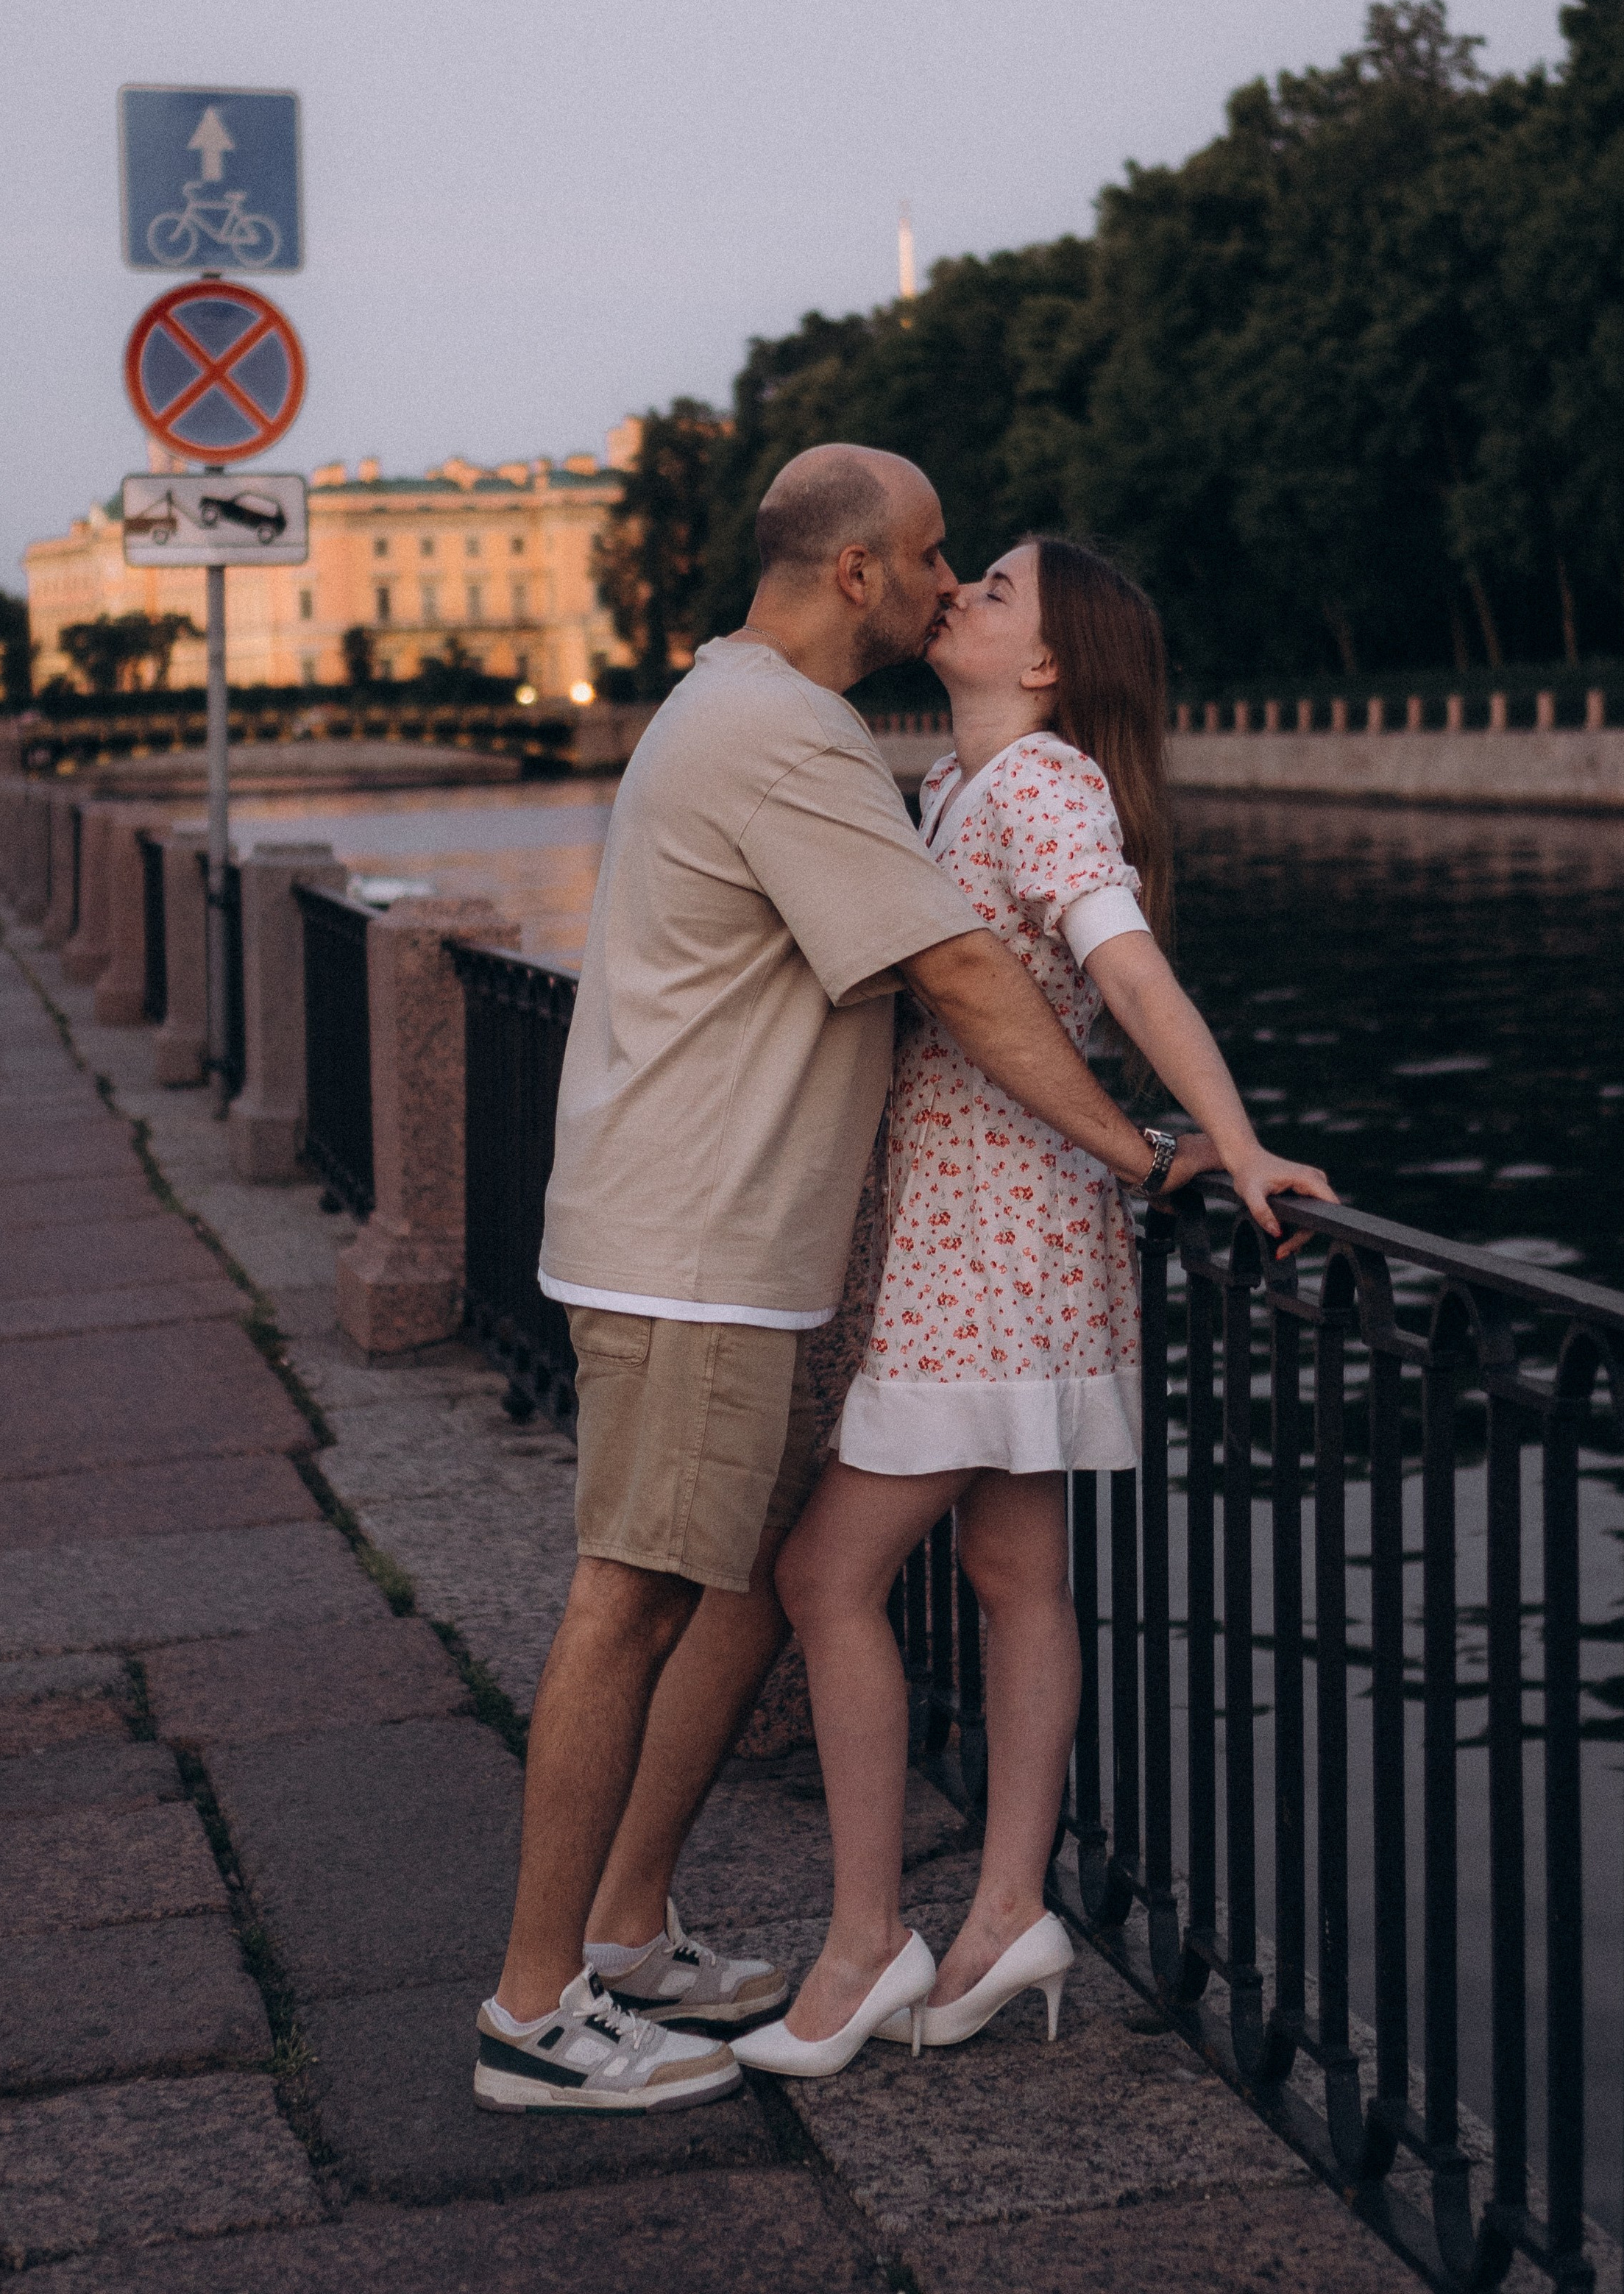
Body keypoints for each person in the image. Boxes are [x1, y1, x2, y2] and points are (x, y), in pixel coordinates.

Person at [475, 459, 1206, 2114]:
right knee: (631, 1598)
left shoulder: (749, 707)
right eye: (936, 558)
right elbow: (955, 967)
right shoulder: (791, 738)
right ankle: (532, 2012)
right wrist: (1141, 1150)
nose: (950, 583)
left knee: (745, 1583)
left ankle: (628, 1930)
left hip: (741, 1243)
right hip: (698, 1248)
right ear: (860, 574)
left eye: (977, 573)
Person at [732, 538, 1334, 2080]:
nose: (960, 593)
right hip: (991, 1237)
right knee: (1013, 1575)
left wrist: (1236, 1141)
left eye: (995, 590)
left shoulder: (1044, 785)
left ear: (1050, 665)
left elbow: (1127, 971)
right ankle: (1006, 1914)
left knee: (822, 1575)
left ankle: (866, 1941)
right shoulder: (954, 783)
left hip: (991, 1253)